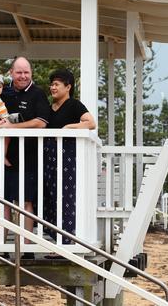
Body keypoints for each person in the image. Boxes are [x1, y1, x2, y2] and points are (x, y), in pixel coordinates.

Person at [0, 57, 51, 256]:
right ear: (11, 73)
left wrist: (12, 127)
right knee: (1, 200)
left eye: (26, 72)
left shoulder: (38, 94)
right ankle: (2, 248)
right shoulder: (1, 91)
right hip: (0, 158)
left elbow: (41, 122)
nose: (22, 76)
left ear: (31, 74)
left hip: (28, 157)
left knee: (26, 201)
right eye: (19, 72)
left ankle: (26, 248)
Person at [43, 68, 95, 244]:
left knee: (65, 197)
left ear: (68, 87)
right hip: (48, 157)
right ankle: (55, 241)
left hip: (68, 158)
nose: (53, 87)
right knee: (49, 197)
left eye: (56, 84)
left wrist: (69, 128)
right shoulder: (49, 108)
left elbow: (91, 122)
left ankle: (65, 242)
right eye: (51, 84)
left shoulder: (74, 105)